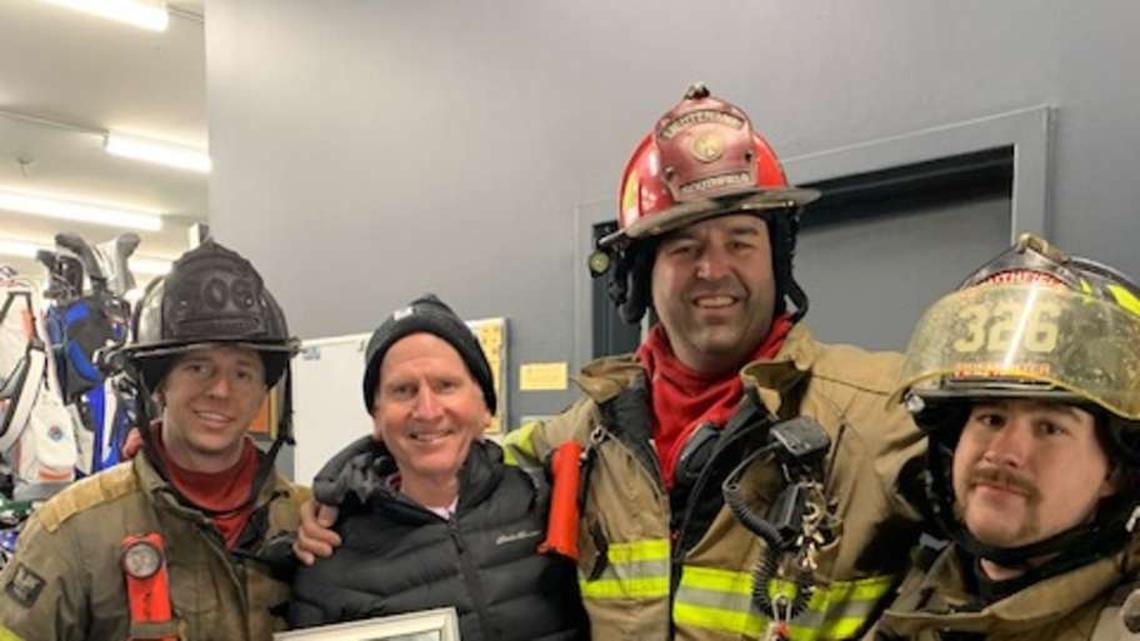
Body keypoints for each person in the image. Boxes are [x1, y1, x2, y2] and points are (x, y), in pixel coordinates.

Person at [296, 84, 927, 640]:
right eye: (684, 247)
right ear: (641, 275)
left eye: (741, 241)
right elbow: (459, 455)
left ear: (778, 260)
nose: (714, 270)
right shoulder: (586, 431)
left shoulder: (880, 412)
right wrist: (340, 489)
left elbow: (1006, 541)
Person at [0, 239, 306, 641]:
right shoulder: (71, 532)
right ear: (158, 385)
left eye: (243, 373)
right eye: (198, 367)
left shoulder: (309, 520)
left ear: (263, 393)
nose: (221, 390)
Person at [870, 234, 1140, 640]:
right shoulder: (911, 603)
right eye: (991, 419)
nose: (1003, 452)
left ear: (1115, 471)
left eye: (1049, 428)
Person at [288, 294, 586, 641]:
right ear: (377, 417)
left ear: (484, 408)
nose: (427, 411)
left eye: (446, 386)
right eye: (403, 390)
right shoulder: (329, 556)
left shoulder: (549, 506)